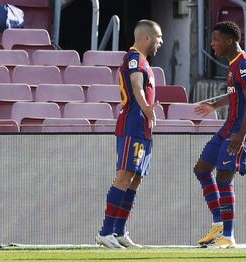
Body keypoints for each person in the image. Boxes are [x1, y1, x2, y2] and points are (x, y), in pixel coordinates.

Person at [96, 19, 163, 249]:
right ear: (147, 38)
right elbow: (136, 86)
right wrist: (147, 110)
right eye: (159, 38)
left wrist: (149, 115)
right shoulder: (134, 58)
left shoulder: (145, 62)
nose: (161, 42)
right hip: (133, 123)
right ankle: (105, 232)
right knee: (125, 175)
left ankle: (120, 231)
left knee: (136, 177)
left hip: (143, 127)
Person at [194, 21, 246, 248]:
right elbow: (237, 95)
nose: (212, 44)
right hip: (228, 126)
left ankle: (229, 237)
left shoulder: (243, 65)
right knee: (202, 169)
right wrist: (215, 105)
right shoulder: (233, 64)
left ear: (229, 41)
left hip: (241, 128)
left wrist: (242, 136)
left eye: (216, 40)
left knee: (224, 176)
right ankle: (218, 223)